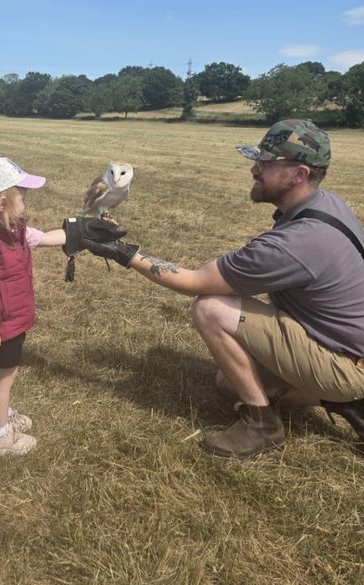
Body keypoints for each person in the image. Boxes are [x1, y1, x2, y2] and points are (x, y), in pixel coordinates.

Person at [79, 120, 364, 458]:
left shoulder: (298, 242)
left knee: (211, 308)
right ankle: (341, 399)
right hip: (346, 347)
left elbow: (195, 283)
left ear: (299, 174)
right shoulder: (327, 203)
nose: (254, 170)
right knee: (228, 383)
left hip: (346, 362)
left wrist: (124, 253)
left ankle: (264, 426)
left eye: (265, 163)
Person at [0, 157, 123, 456]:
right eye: (22, 198)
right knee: (4, 377)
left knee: (7, 374)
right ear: (1, 204)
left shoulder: (16, 231)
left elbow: (48, 237)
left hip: (13, 319)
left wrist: (84, 231)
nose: (26, 204)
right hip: (0, 325)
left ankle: (2, 414)